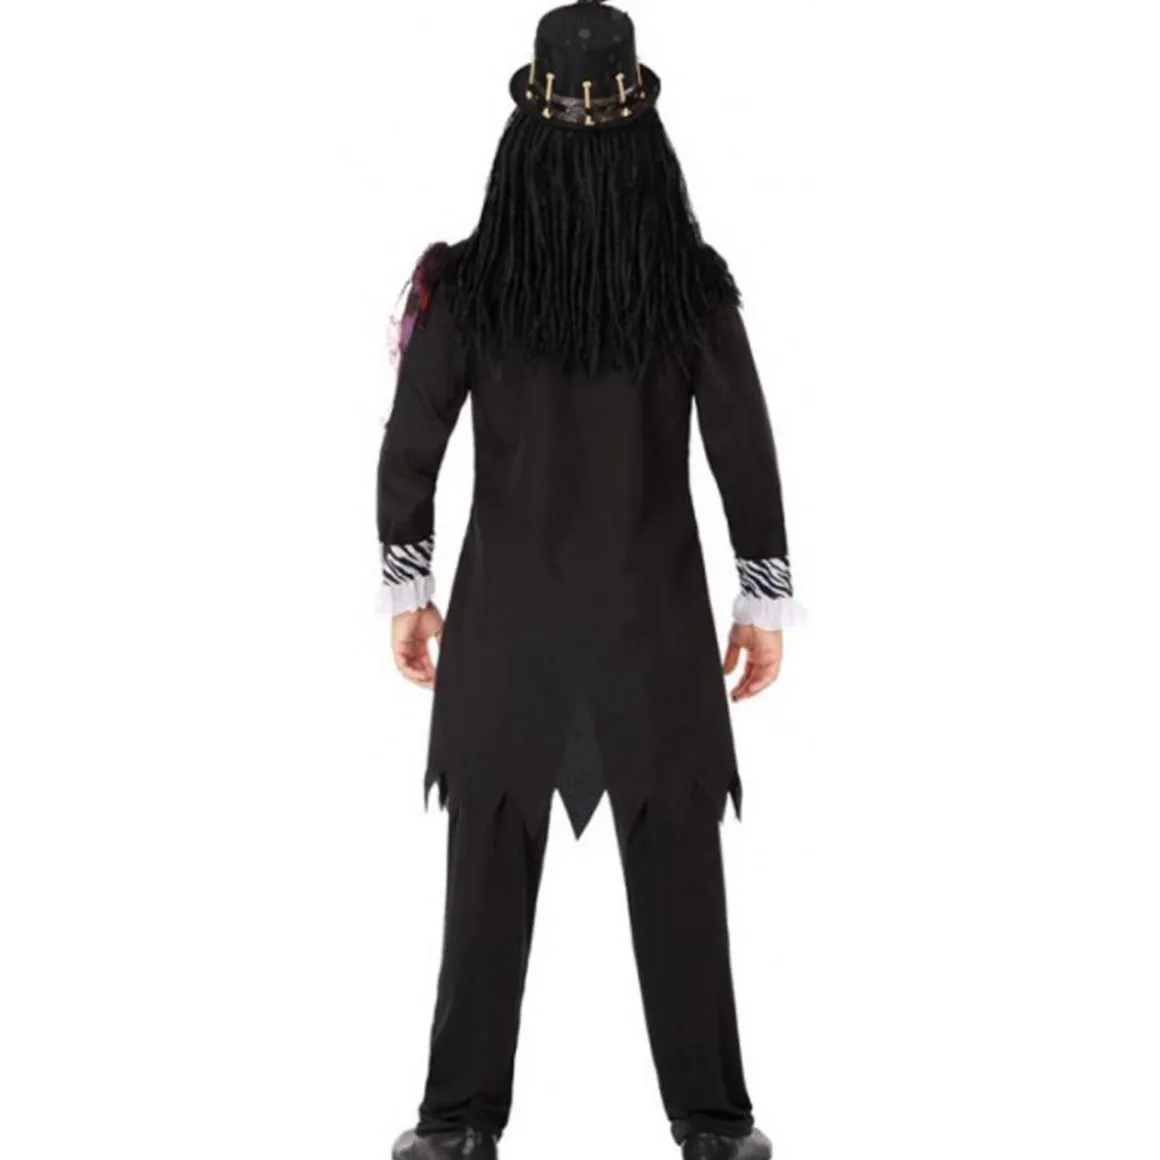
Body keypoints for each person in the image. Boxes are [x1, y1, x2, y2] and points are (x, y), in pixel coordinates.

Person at [377, 4, 804, 1158]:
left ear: (523, 133)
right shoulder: (689, 290)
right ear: (643, 139)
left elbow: (410, 444)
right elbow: (744, 450)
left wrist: (408, 589)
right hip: (648, 631)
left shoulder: (467, 287)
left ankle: (455, 1122)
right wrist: (760, 599)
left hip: (508, 632)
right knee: (678, 881)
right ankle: (714, 1124)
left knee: (483, 885)